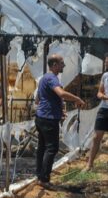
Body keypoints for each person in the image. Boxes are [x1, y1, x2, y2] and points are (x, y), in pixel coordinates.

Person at [35, 55, 85, 186]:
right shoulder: (52, 78)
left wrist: (58, 110)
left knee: (42, 147)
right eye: (62, 63)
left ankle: (39, 174)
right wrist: (77, 99)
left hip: (41, 117)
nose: (64, 65)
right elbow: (61, 93)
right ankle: (44, 179)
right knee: (52, 148)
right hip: (48, 119)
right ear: (55, 64)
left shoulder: (44, 78)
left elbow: (38, 99)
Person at [85, 55, 108, 170]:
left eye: (107, 63)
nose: (105, 64)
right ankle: (89, 164)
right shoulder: (105, 76)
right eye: (105, 63)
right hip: (104, 109)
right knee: (96, 137)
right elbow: (99, 93)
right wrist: (103, 96)